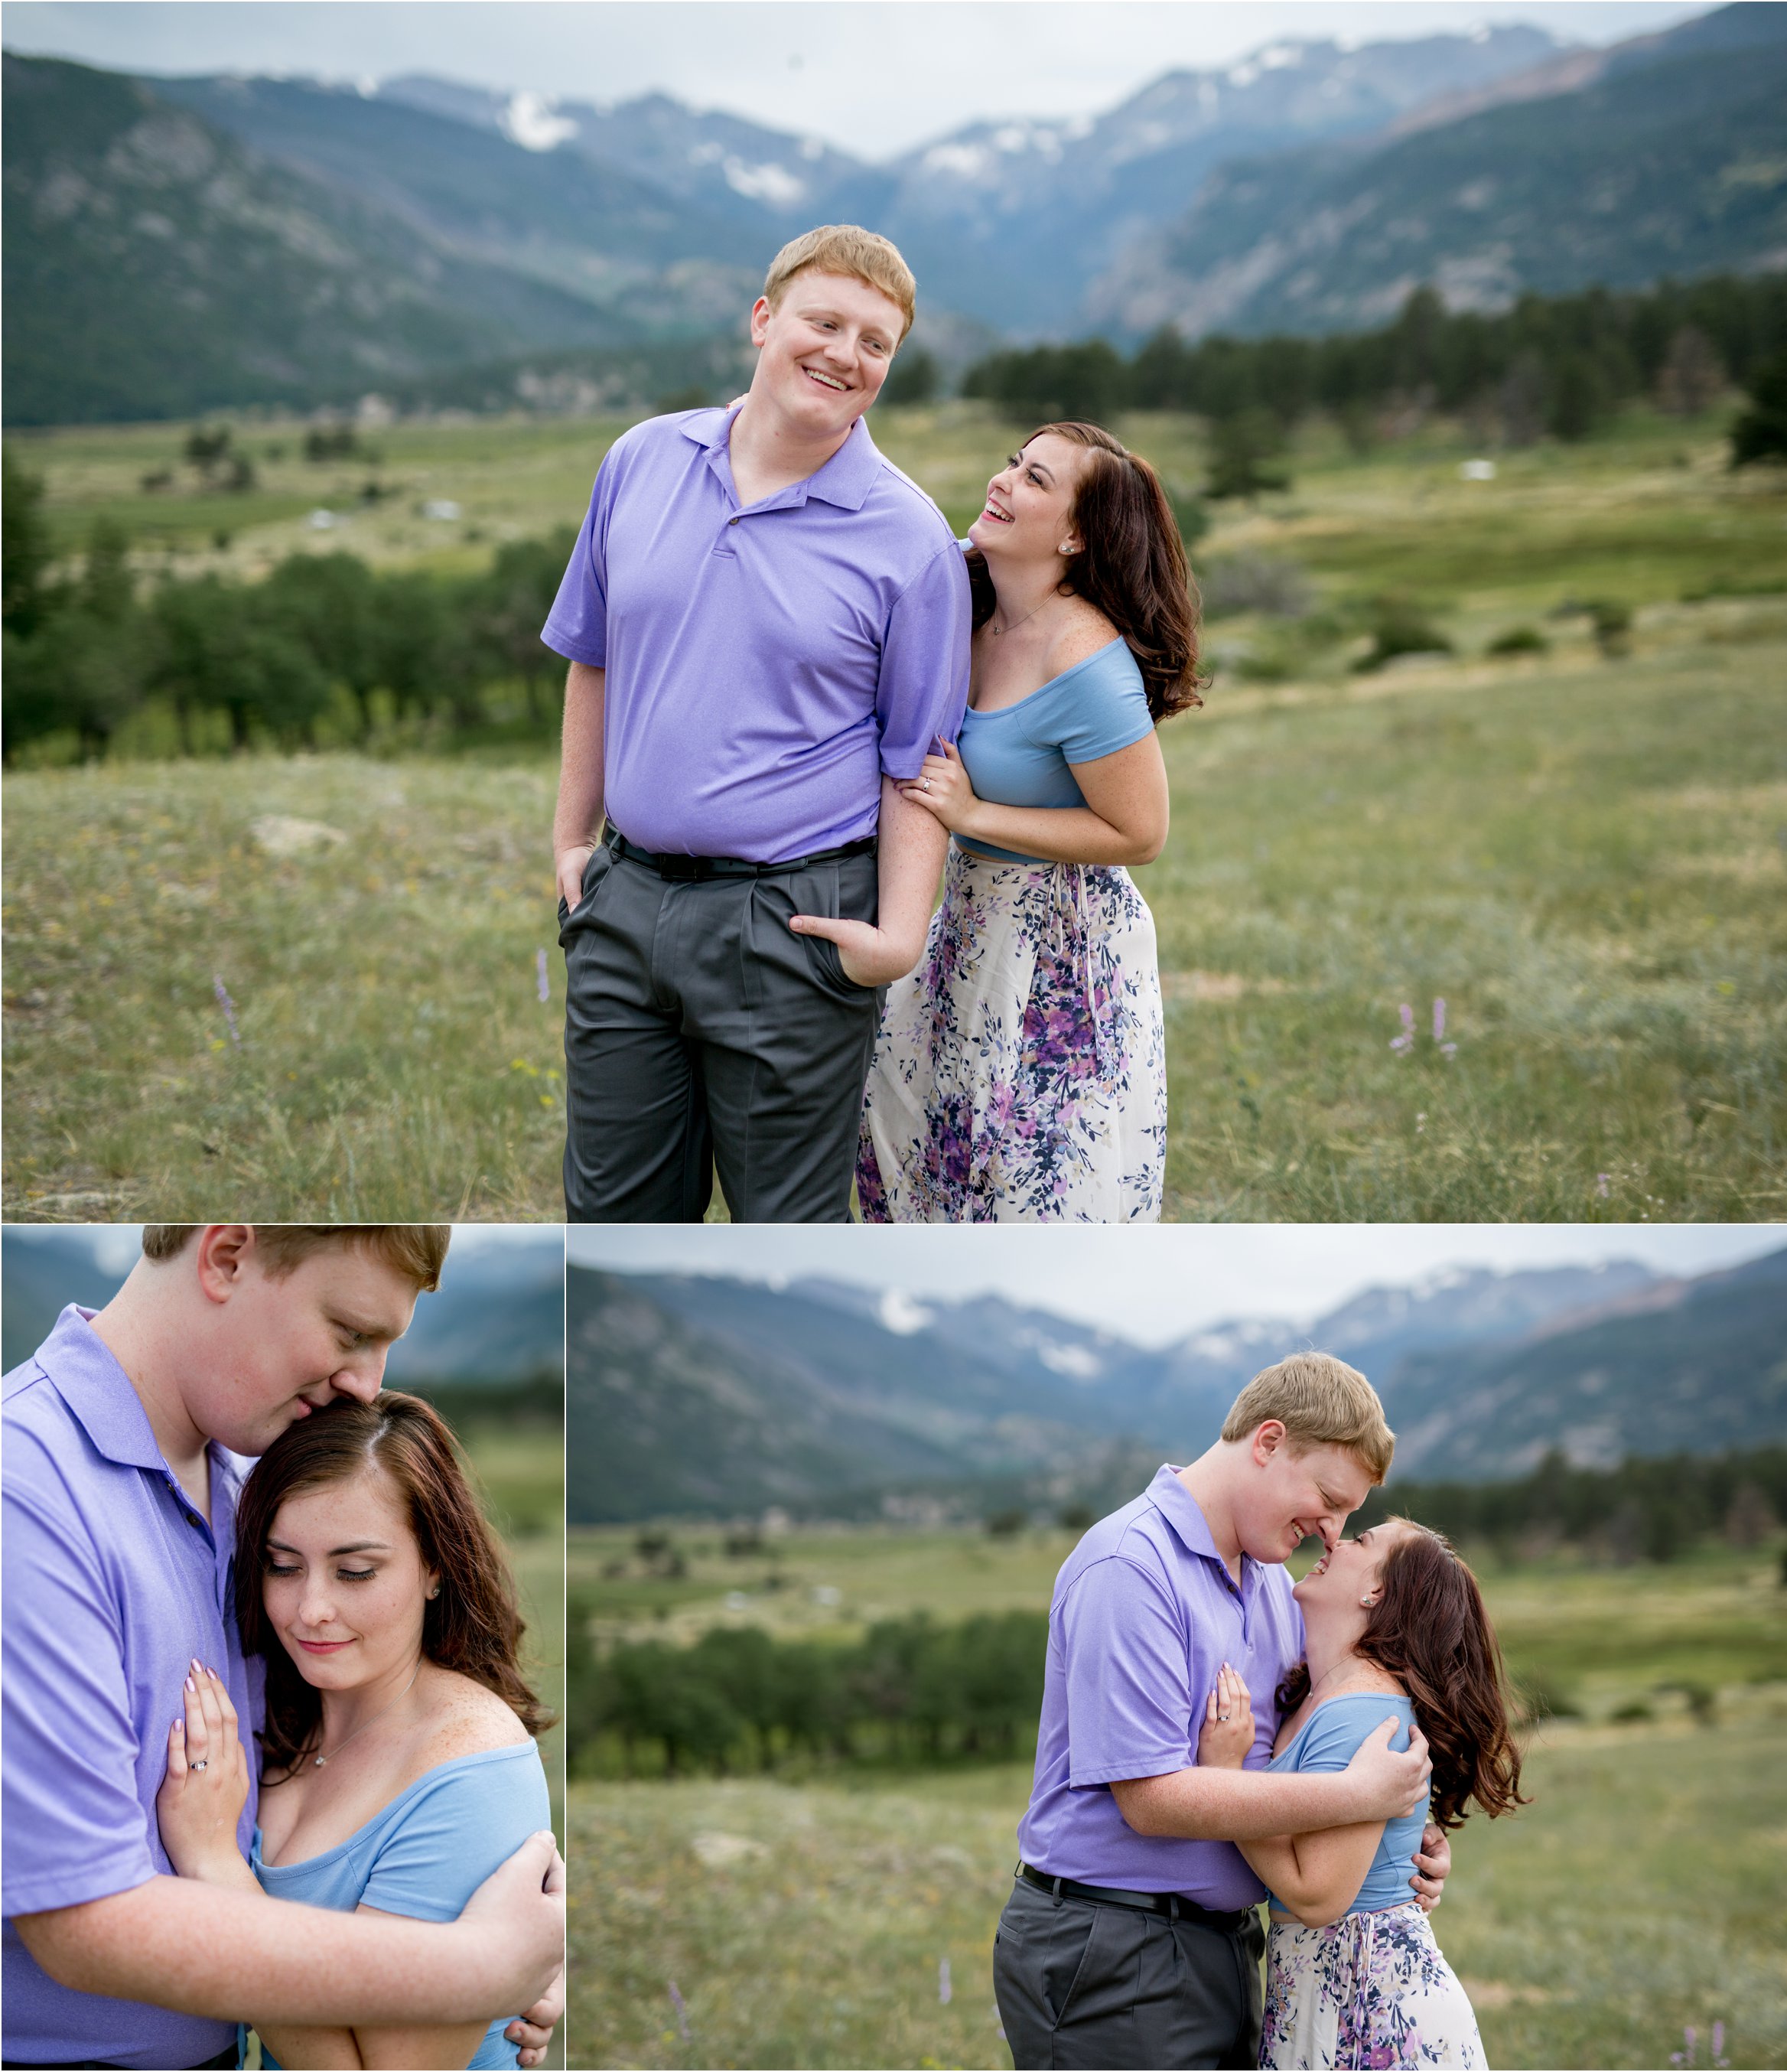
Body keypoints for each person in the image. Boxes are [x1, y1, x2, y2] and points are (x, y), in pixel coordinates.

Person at [2, 1226, 562, 2072]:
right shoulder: (27, 1491)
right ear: (227, 1254)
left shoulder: (245, 1469)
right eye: (349, 1331)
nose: (365, 1382)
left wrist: (481, 1903)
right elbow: (80, 1918)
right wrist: (479, 1965)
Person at [544, 222, 971, 1224]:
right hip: (623, 902)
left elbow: (917, 760)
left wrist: (898, 937)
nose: (845, 355)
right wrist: (570, 842)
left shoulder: (906, 537)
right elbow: (591, 657)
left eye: (876, 343)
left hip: (789, 921)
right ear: (763, 320)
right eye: (825, 322)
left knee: (785, 1222)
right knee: (614, 1220)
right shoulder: (640, 459)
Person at [991, 1354, 1453, 2072]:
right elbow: (1149, 1799)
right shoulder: (1128, 1567)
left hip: (1222, 1945)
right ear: (1268, 1443)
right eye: (1327, 1498)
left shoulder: (1270, 1580)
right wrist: (1357, 1797)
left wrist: (1392, 1843)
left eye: (1347, 1518)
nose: (1332, 1532)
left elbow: (1305, 1742)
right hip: (1114, 1946)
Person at [857, 421, 1201, 1222]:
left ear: (1077, 535)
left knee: (1034, 1184)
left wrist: (975, 810)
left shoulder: (1084, 659)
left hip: (1064, 948)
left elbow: (1139, 834)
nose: (1003, 481)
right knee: (929, 1159)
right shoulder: (972, 606)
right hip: (969, 923)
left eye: (1036, 480)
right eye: (1014, 462)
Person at [155, 1390, 556, 2070]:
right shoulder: (279, 1710)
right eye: (283, 1566)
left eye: (355, 1572)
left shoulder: (468, 1769)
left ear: (434, 1566)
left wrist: (215, 1866)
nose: (311, 1609)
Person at [1198, 1518, 1525, 2069]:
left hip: (1369, 2009)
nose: (1335, 1540)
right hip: (1327, 1991)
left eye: (1361, 1541)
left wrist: (1224, 1776)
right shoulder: (1317, 1693)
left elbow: (1316, 1895)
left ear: (1376, 1591)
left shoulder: (1361, 1712)